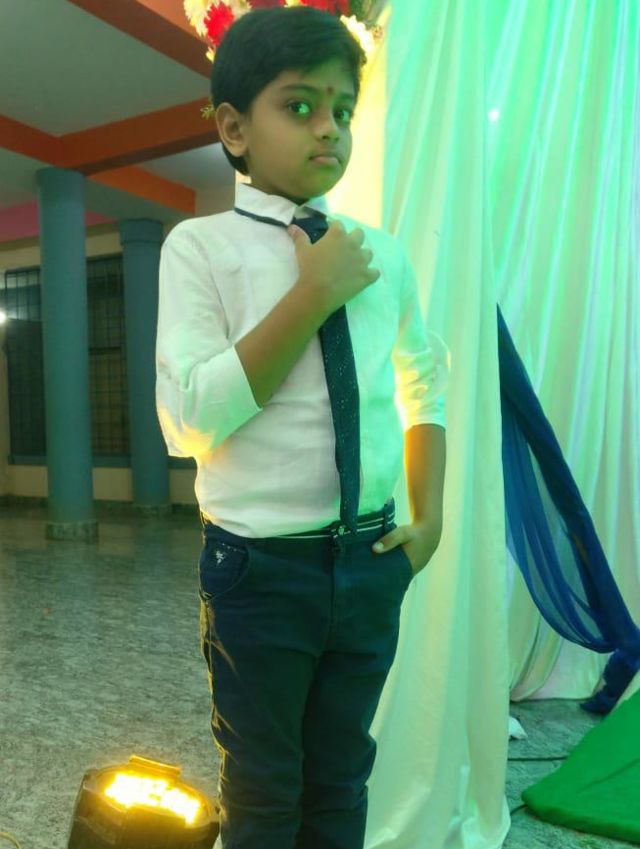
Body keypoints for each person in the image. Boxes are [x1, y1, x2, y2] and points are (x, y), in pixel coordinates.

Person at [155, 6, 449, 848]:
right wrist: (311, 293)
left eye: (342, 109)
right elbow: (189, 419)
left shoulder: (380, 253)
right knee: (263, 787)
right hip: (261, 569)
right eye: (300, 106)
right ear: (233, 128)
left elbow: (424, 377)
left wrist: (429, 518)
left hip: (370, 558)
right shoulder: (199, 249)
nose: (329, 128)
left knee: (342, 778)